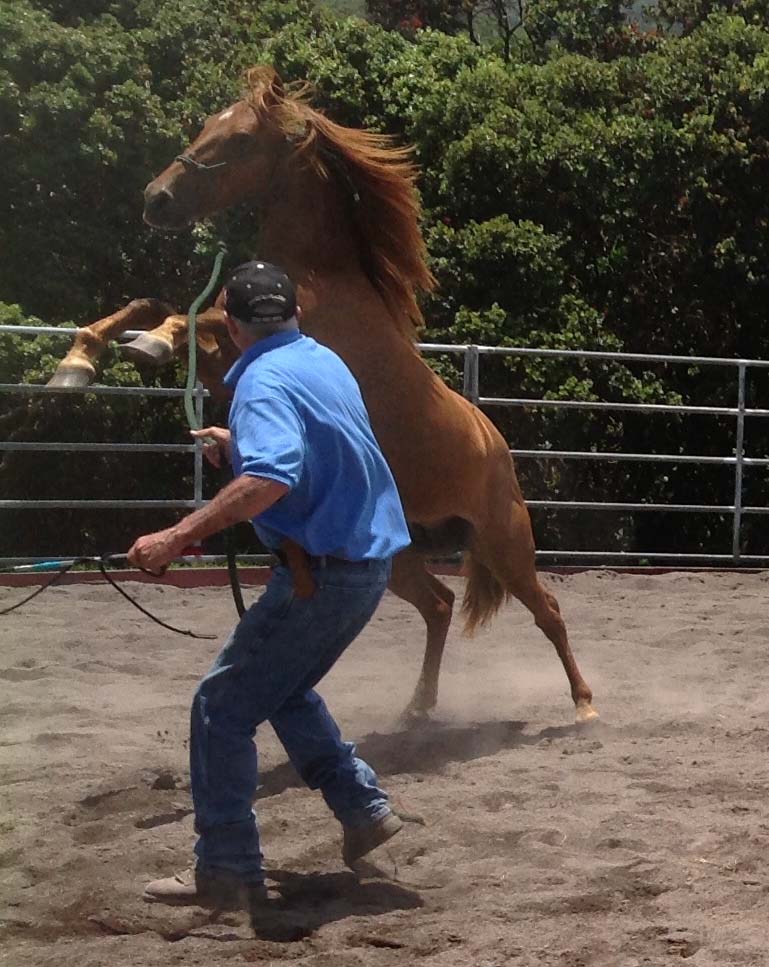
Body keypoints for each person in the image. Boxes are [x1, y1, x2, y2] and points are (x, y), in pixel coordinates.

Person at [127, 260, 412, 909]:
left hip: (324, 572)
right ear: (294, 315)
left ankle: (224, 864)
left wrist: (175, 537)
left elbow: (273, 480)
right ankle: (362, 806)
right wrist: (241, 442)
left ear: (229, 325)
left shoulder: (260, 381)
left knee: (221, 705)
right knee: (283, 689)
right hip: (366, 564)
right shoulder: (320, 359)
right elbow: (316, 444)